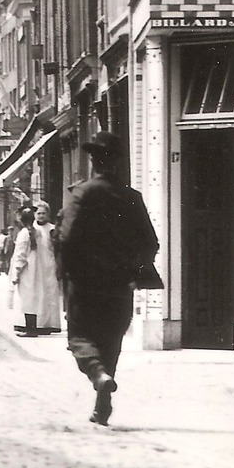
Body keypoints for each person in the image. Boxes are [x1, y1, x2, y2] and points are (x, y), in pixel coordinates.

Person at [58, 131, 159, 426]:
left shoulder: (82, 193)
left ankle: (98, 376)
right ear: (116, 163)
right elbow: (151, 244)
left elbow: (66, 238)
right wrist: (132, 273)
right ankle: (103, 403)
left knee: (80, 340)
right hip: (119, 287)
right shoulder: (132, 198)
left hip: (85, 286)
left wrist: (67, 276)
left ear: (94, 162)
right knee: (111, 343)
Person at [10, 205, 62, 337]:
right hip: (35, 268)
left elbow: (21, 254)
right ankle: (32, 326)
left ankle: (31, 328)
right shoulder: (35, 232)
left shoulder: (24, 233)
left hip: (28, 269)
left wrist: (16, 271)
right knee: (34, 298)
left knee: (28, 298)